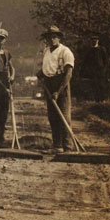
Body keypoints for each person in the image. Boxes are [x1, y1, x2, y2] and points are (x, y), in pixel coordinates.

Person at [37, 25, 75, 153]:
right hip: (49, 84)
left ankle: (68, 147)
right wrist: (41, 73)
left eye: (54, 37)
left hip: (61, 84)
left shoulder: (65, 51)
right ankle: (57, 146)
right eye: (49, 37)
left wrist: (58, 92)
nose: (52, 39)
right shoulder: (47, 51)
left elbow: (68, 74)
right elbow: (48, 68)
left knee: (63, 116)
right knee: (52, 116)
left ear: (59, 38)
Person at [81, 35, 108, 103]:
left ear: (98, 40)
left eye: (96, 39)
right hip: (92, 71)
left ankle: (103, 99)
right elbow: (86, 61)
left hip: (100, 70)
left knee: (101, 84)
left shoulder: (102, 49)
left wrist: (104, 69)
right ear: (91, 41)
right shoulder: (89, 50)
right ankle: (97, 100)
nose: (94, 41)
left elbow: (106, 60)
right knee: (95, 85)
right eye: (93, 39)